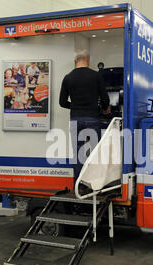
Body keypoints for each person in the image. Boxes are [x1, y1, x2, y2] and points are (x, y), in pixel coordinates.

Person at [59, 49, 110, 185]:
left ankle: (79, 184)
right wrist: (103, 109)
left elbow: (62, 102)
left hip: (75, 119)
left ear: (75, 61)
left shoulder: (68, 77)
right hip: (92, 118)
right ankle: (94, 183)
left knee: (78, 153)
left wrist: (75, 106)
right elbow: (105, 99)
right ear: (87, 60)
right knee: (94, 152)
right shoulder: (96, 76)